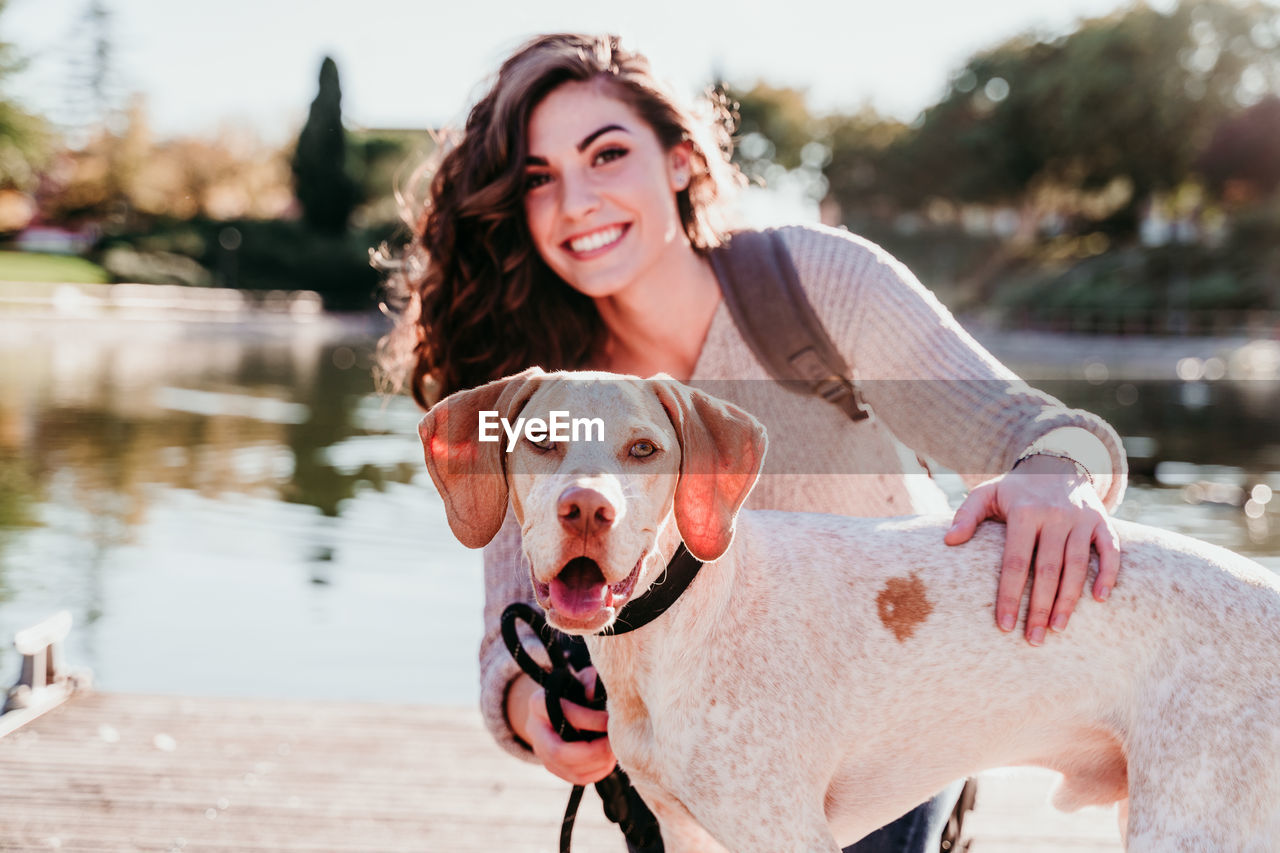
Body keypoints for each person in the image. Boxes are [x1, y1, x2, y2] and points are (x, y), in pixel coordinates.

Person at [380, 33, 1127, 852]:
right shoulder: (533, 385)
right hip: (680, 744)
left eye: (607, 154)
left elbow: (1023, 427)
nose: (577, 200)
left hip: (881, 722)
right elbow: (508, 631)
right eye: (539, 178)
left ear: (680, 162)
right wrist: (543, 711)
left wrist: (1059, 474)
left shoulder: (809, 287)